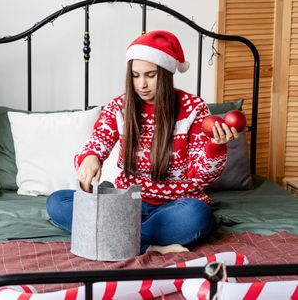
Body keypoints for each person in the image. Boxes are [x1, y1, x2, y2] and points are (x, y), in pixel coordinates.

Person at [46, 30, 239, 254]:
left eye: (150, 75)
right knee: (57, 202)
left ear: (166, 73)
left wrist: (216, 146)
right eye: (135, 76)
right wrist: (90, 159)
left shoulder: (194, 108)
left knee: (197, 215)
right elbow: (98, 140)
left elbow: (201, 176)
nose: (142, 84)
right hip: (126, 202)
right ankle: (150, 245)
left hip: (176, 206)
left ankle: (114, 237)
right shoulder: (119, 106)